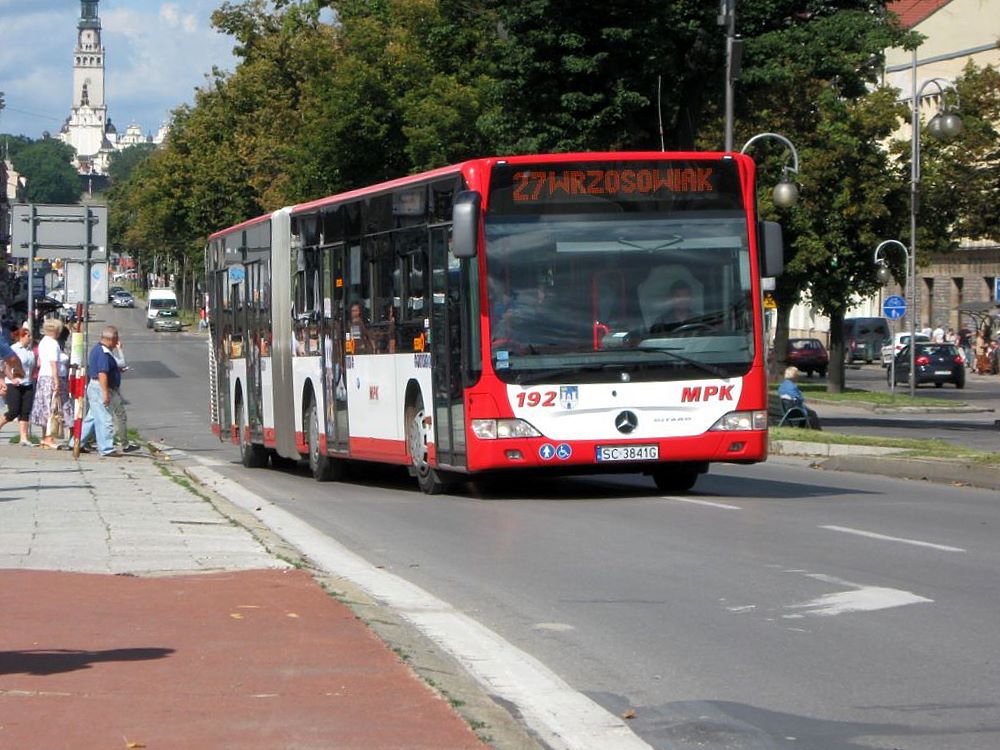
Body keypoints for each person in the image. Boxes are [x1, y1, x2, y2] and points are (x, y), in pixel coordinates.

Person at [78, 325, 124, 457]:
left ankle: (76, 442)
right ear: (111, 339)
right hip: (100, 387)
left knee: (92, 418)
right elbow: (102, 373)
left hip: (95, 386)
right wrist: (105, 394)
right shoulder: (103, 353)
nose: (117, 342)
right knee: (104, 418)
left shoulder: (98, 349)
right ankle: (106, 448)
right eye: (116, 339)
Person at [29, 317, 72, 449]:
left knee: (45, 406)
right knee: (55, 407)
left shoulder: (43, 342)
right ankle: (49, 438)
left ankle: (44, 437)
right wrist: (56, 381)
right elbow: (54, 363)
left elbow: (41, 362)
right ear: (57, 330)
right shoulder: (53, 343)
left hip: (43, 377)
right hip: (52, 377)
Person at [0, 323, 36, 446]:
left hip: (28, 383)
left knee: (25, 411)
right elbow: (6, 366)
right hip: (14, 384)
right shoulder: (14, 349)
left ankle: (24, 438)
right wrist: (10, 378)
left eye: (30, 336)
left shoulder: (30, 351)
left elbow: (31, 367)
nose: (30, 338)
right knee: (13, 411)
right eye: (28, 336)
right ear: (21, 337)